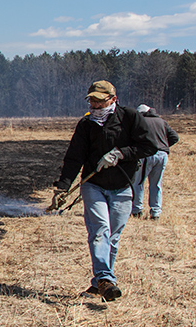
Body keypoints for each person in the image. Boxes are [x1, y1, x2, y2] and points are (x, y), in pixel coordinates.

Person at [53, 81, 158, 301]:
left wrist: (120, 153)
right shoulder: (86, 124)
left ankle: (99, 283)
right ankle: (105, 279)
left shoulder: (130, 117)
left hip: (123, 185)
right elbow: (74, 157)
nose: (94, 104)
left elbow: (149, 146)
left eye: (99, 100)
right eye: (91, 99)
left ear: (112, 98)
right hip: (94, 185)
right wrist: (62, 187)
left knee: (113, 237)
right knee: (100, 229)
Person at [130, 104, 179, 220]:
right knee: (156, 184)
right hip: (162, 156)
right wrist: (164, 146)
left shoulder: (141, 122)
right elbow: (174, 137)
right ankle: (155, 213)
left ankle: (136, 210)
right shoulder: (161, 121)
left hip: (146, 155)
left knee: (138, 182)